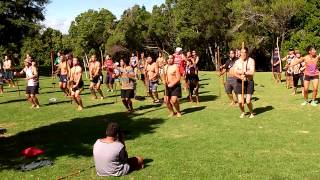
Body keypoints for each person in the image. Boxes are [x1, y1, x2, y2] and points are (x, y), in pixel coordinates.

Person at [233, 47, 255, 118]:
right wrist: (240, 76)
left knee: (248, 101)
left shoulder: (251, 61)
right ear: (240, 53)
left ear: (247, 53)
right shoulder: (237, 62)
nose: (243, 54)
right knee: (240, 101)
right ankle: (243, 112)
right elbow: (234, 72)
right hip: (240, 82)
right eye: (242, 52)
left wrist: (244, 72)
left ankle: (251, 112)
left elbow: (252, 72)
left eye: (245, 52)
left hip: (249, 82)